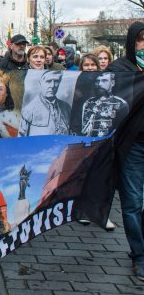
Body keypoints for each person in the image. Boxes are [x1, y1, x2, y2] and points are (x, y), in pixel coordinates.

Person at [107, 22, 144, 281]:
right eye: (141, 40)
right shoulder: (119, 69)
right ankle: (139, 255)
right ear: (132, 43)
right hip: (134, 147)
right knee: (132, 203)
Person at [19, 70, 71, 136]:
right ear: (41, 83)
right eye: (48, 81)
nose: (52, 86)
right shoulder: (27, 111)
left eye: (56, 81)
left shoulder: (66, 107)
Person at [81, 71, 129, 137]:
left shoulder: (121, 104)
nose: (100, 84)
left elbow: (122, 131)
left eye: (104, 81)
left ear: (112, 83)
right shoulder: (88, 102)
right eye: (97, 81)